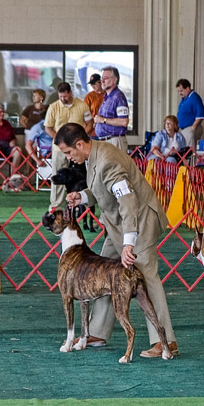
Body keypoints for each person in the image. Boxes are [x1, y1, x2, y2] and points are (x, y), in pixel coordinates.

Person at [55, 122, 176, 358]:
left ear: (79, 144)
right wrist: (81, 197)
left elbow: (128, 201)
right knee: (101, 271)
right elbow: (100, 190)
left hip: (139, 221)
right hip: (117, 223)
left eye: (69, 153)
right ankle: (97, 332)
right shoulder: (92, 155)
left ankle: (166, 341)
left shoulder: (108, 160)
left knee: (145, 274)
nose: (69, 159)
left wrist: (129, 244)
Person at [44, 82, 94, 210]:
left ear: (70, 93)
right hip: (58, 149)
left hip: (78, 149)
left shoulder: (82, 106)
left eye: (65, 96)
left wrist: (82, 136)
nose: (62, 99)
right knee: (57, 177)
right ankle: (56, 207)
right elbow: (48, 128)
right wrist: (59, 141)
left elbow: (89, 123)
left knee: (80, 177)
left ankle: (81, 204)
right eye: (60, 97)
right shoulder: (53, 107)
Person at [93, 66, 130, 152]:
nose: (102, 81)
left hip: (114, 141)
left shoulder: (118, 97)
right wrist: (98, 123)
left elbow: (124, 121)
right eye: (102, 78)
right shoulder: (107, 97)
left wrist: (103, 120)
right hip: (105, 141)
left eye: (105, 78)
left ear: (115, 80)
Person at [175, 78, 204, 148]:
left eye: (181, 91)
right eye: (178, 91)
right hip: (182, 129)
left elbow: (201, 114)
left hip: (189, 128)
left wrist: (192, 128)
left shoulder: (194, 98)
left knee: (189, 150)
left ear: (188, 88)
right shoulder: (185, 98)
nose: (180, 93)